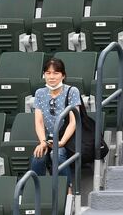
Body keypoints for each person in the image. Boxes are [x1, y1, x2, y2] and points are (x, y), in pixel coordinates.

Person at [30, 58, 81, 186]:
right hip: (50, 138)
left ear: (63, 75)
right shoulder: (40, 93)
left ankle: (68, 190)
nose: (51, 77)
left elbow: (73, 122)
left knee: (57, 154)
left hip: (69, 138)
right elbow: (39, 122)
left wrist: (62, 142)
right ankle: (38, 192)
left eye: (56, 73)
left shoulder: (72, 91)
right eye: (48, 73)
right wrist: (42, 142)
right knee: (38, 157)